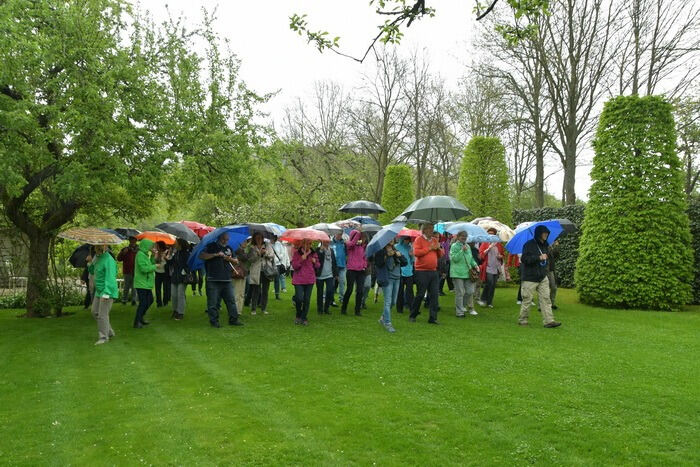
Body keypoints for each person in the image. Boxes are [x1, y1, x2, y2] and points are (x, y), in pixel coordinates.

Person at [519, 225, 561, 328]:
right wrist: (538, 257)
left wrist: (553, 249)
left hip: (542, 276)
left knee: (546, 299)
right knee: (527, 300)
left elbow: (551, 257)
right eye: (544, 233)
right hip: (529, 277)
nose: (546, 234)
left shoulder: (546, 245)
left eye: (547, 233)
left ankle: (549, 321)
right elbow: (524, 259)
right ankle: (523, 320)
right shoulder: (528, 245)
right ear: (539, 234)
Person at [198, 232, 244, 328]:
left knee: (231, 301)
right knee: (213, 302)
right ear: (219, 238)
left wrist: (228, 258)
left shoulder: (229, 248)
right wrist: (215, 255)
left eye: (227, 239)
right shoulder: (211, 246)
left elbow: (236, 261)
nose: (225, 241)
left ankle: (233, 319)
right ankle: (214, 322)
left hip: (227, 279)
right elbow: (201, 256)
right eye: (224, 239)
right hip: (212, 279)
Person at [409, 222, 444, 324]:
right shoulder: (419, 239)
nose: (431, 230)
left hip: (433, 271)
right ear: (424, 230)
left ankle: (433, 318)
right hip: (421, 271)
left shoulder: (434, 240)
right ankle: (413, 314)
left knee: (434, 295)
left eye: (432, 228)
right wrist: (429, 248)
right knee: (420, 294)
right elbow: (417, 253)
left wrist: (438, 248)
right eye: (429, 228)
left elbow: (440, 255)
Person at [374, 238, 407, 333]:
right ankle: (387, 323)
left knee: (393, 302)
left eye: (393, 238)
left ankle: (382, 318)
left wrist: (399, 256)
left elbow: (405, 263)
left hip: (397, 278)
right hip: (387, 278)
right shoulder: (381, 251)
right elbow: (378, 264)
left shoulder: (396, 250)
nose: (392, 240)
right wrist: (386, 255)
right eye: (390, 239)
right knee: (388, 302)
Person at [88, 244, 118, 344]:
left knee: (102, 315)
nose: (96, 249)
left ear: (104, 248)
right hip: (99, 290)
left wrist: (106, 294)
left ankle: (103, 338)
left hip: (107, 291)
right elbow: (93, 271)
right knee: (94, 311)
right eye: (95, 248)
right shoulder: (97, 258)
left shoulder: (109, 260)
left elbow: (110, 278)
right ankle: (109, 331)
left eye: (98, 248)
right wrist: (90, 263)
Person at [243, 233, 275, 315]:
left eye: (260, 238)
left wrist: (265, 253)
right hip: (256, 271)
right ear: (254, 239)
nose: (259, 239)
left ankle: (263, 309)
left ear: (263, 238)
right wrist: (258, 254)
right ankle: (253, 309)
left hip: (266, 270)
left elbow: (272, 255)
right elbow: (250, 259)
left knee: (265, 290)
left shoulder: (267, 245)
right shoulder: (251, 247)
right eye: (257, 238)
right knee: (255, 290)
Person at [449, 231, 480, 317]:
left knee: (470, 291)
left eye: (465, 236)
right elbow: (454, 259)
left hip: (467, 272)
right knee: (460, 293)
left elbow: (470, 258)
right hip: (457, 272)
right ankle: (459, 312)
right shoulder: (454, 246)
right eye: (462, 236)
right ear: (458, 237)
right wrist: (461, 251)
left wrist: (475, 265)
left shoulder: (467, 246)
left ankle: (461, 306)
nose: (464, 238)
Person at [291, 239, 319, 325]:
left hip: (309, 279)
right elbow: (294, 266)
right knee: (299, 299)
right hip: (299, 279)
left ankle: (304, 317)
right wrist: (301, 259)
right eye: (306, 243)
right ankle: (298, 315)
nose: (308, 245)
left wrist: (315, 262)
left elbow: (318, 265)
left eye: (310, 243)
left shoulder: (313, 253)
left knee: (307, 300)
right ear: (302, 244)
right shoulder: (297, 253)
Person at [341, 229, 367, 316]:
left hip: (361, 271)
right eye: (358, 236)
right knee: (349, 290)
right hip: (351, 270)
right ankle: (344, 308)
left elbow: (364, 258)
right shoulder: (349, 245)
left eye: (360, 236)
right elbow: (351, 243)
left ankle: (357, 310)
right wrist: (358, 233)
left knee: (360, 291)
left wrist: (364, 265)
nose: (359, 238)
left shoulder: (362, 246)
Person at [478, 229, 504, 308]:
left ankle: (489, 302)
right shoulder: (485, 243)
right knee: (489, 282)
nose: (490, 235)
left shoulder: (498, 244)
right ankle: (483, 299)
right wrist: (488, 248)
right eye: (489, 234)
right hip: (488, 267)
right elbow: (481, 255)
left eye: (492, 234)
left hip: (496, 267)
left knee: (493, 285)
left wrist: (501, 256)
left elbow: (502, 254)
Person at [133, 239, 157, 328]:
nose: (152, 248)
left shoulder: (145, 255)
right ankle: (137, 321)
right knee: (143, 302)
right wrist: (155, 266)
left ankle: (140, 318)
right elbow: (143, 269)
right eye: (151, 246)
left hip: (145, 283)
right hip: (141, 283)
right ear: (146, 246)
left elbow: (150, 264)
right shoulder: (140, 255)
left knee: (150, 300)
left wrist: (153, 257)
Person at [168, 238, 190, 320]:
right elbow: (171, 263)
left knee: (180, 295)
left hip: (182, 277)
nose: (174, 244)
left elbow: (188, 265)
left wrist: (184, 271)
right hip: (175, 276)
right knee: (173, 295)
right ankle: (175, 310)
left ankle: (180, 313)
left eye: (176, 243)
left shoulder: (186, 254)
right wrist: (169, 255)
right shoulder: (176, 253)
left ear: (180, 244)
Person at [315, 240, 338, 314]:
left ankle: (326, 307)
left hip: (330, 274)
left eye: (328, 241)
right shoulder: (318, 250)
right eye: (325, 241)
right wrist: (321, 251)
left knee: (330, 291)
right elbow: (317, 260)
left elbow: (334, 262)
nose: (327, 243)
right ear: (322, 241)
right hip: (320, 275)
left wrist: (336, 274)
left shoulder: (331, 250)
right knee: (320, 292)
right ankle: (320, 309)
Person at [394, 236, 414, 314]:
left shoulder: (410, 247)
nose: (407, 241)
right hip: (400, 271)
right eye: (406, 239)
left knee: (410, 291)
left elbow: (412, 261)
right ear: (402, 239)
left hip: (409, 271)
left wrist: (411, 255)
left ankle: (411, 307)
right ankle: (399, 308)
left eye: (408, 240)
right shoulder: (396, 247)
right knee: (400, 291)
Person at [117, 237, 138, 305]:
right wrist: (123, 253)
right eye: (131, 241)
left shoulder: (138, 250)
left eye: (134, 241)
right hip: (127, 271)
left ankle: (134, 300)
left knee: (134, 287)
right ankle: (124, 300)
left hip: (136, 271)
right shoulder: (125, 249)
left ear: (136, 241)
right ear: (129, 241)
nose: (132, 242)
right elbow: (119, 259)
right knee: (126, 286)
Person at [331, 232, 347, 306]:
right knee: (332, 283)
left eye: (341, 234)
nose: (339, 235)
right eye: (338, 234)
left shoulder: (344, 243)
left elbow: (347, 253)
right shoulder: (331, 242)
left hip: (342, 265)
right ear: (335, 234)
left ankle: (342, 298)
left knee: (342, 282)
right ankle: (331, 299)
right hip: (333, 266)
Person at [154, 241, 171, 308]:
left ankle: (165, 301)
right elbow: (155, 261)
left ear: (160, 246)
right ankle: (159, 302)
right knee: (157, 288)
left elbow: (169, 261)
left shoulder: (167, 252)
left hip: (165, 273)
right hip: (157, 272)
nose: (156, 247)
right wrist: (157, 255)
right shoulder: (157, 253)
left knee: (165, 288)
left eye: (157, 246)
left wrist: (165, 257)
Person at [547, 239, 560, 310]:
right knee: (544, 288)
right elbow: (546, 255)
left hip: (551, 269)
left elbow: (556, 255)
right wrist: (550, 246)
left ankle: (552, 303)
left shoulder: (551, 246)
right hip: (545, 270)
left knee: (554, 287)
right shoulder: (544, 246)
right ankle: (541, 305)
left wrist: (556, 247)